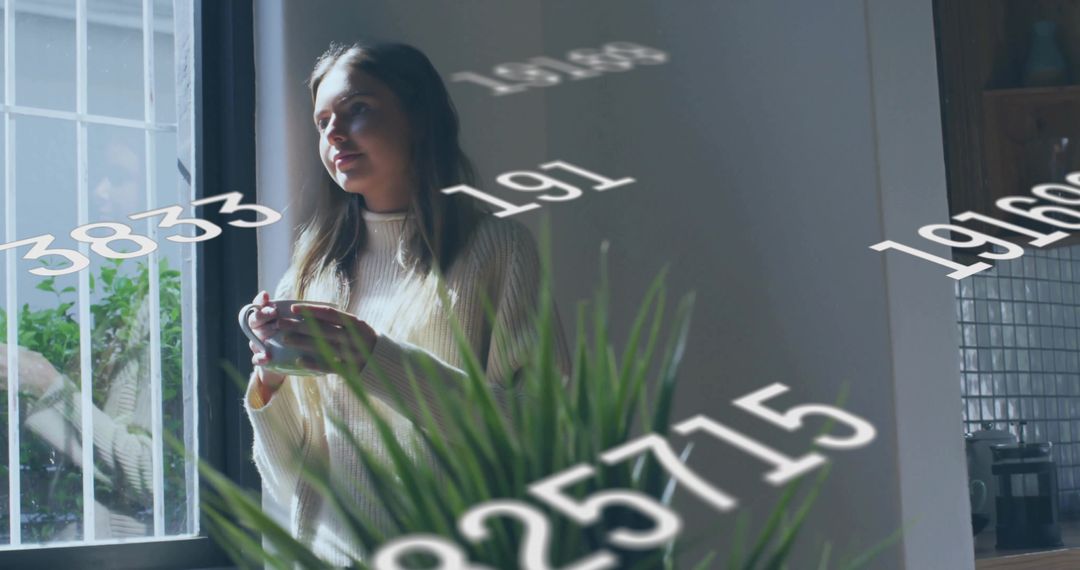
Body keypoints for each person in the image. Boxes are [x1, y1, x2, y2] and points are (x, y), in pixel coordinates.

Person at [242, 40, 571, 565]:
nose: (333, 132)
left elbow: (541, 441)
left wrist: (376, 361)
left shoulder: (497, 252)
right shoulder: (309, 275)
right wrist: (269, 385)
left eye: (358, 109)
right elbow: (288, 484)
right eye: (322, 120)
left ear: (419, 118)